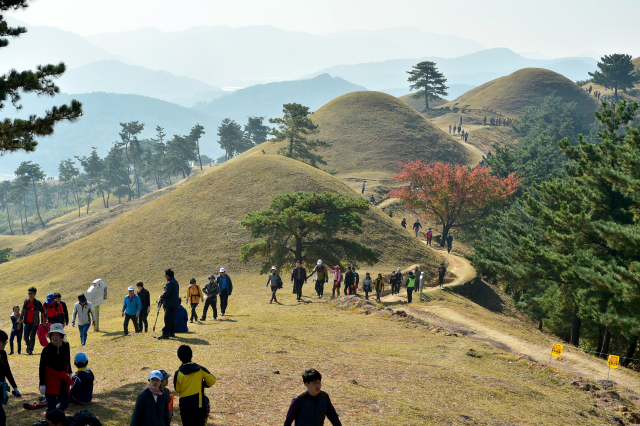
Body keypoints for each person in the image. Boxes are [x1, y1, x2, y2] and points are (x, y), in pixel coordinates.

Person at [174, 345, 216, 426]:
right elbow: (212, 380)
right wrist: (203, 384)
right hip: (199, 406)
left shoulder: (178, 373)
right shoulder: (200, 369)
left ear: (179, 357)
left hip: (185, 406)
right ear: (191, 355)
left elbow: (177, 389)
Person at [39, 323, 72, 414]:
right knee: (51, 406)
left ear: (61, 335)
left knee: (65, 403)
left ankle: (54, 416)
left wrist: (70, 372)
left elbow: (68, 359)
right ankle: (50, 419)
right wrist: (42, 384)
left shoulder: (66, 345)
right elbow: (42, 367)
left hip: (62, 379)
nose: (55, 337)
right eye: (53, 335)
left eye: (57, 335)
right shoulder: (46, 349)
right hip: (50, 380)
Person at [0, 330, 21, 426]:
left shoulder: (3, 353)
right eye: (3, 342)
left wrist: (15, 387)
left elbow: (7, 371)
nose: (5, 344)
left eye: (6, 342)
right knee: (1, 418)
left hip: (0, 388)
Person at [20, 286, 44, 355]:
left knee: (32, 336)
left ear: (35, 294)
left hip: (35, 323)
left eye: (31, 293)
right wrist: (21, 318)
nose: (30, 295)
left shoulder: (37, 303)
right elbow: (23, 310)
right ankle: (28, 345)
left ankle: (30, 349)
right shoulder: (26, 302)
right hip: (27, 322)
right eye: (29, 293)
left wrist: (43, 321)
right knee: (25, 337)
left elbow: (43, 311)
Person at [158, 269, 180, 339]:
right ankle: (171, 332)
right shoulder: (175, 282)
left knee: (167, 319)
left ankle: (165, 334)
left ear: (167, 275)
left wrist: (161, 296)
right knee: (172, 319)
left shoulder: (170, 283)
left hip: (169, 304)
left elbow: (167, 293)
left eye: (165, 275)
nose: (164, 276)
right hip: (174, 304)